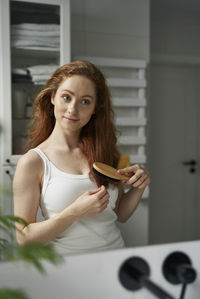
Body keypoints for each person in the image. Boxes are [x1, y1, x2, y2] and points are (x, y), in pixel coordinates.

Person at [13, 60, 150, 256]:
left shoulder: (104, 151)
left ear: (95, 108)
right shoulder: (33, 162)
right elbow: (24, 238)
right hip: (67, 273)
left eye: (85, 101)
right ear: (53, 97)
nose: (72, 109)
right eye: (66, 97)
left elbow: (119, 214)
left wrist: (139, 187)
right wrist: (75, 212)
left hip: (116, 259)